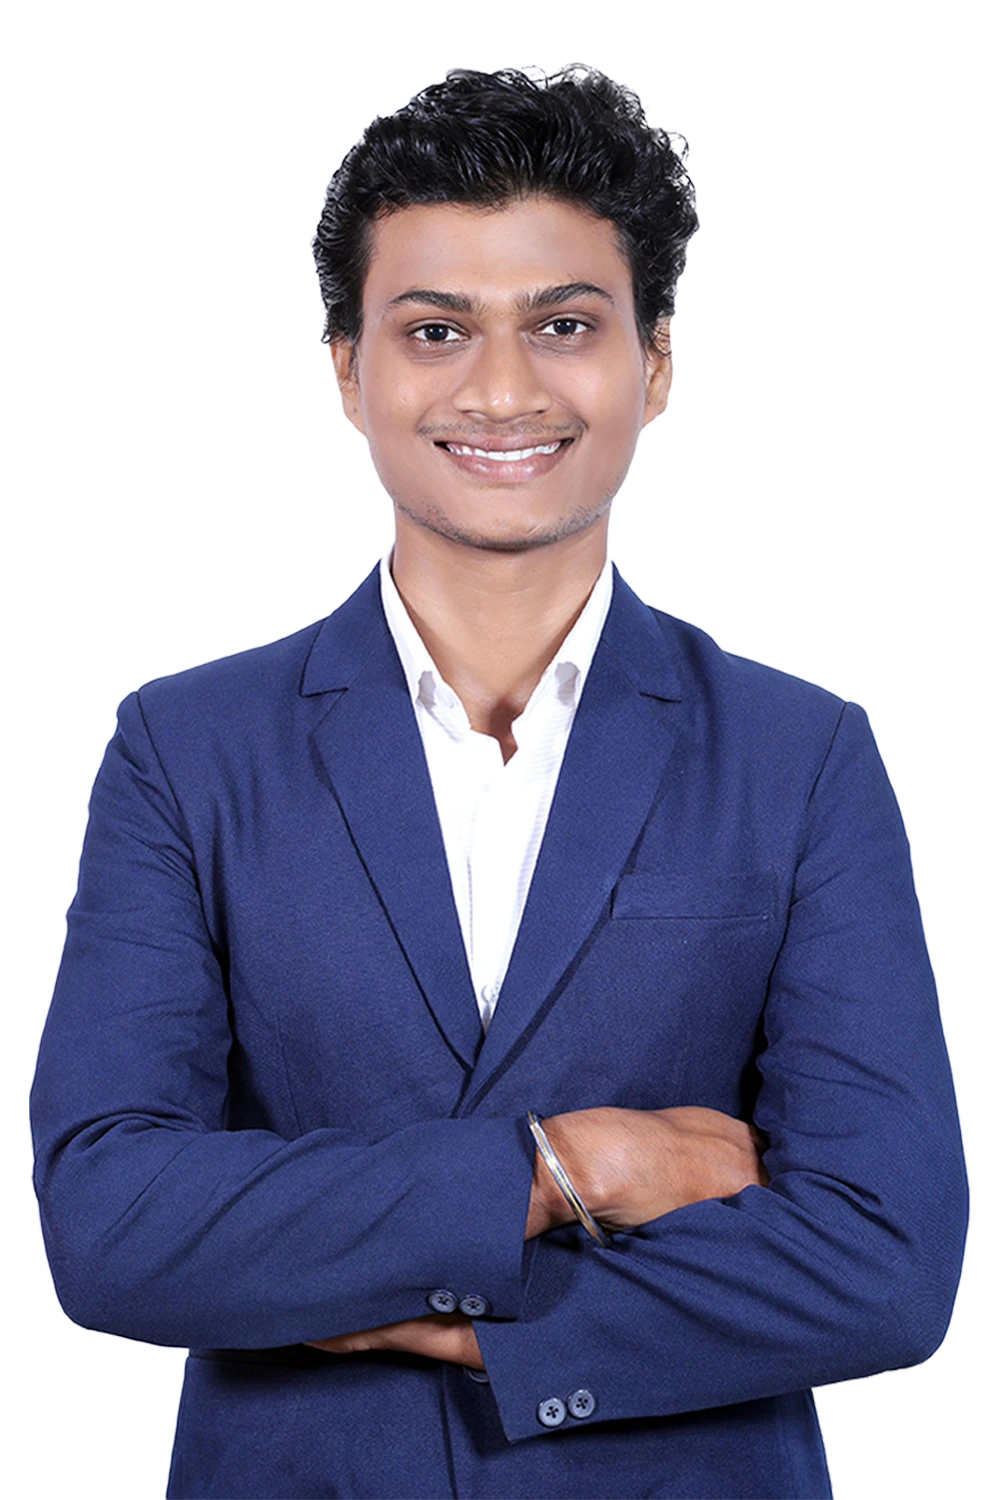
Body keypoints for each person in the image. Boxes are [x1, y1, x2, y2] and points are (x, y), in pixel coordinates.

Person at [29, 63, 969, 1499]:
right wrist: (565, 1166)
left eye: (566, 325)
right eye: (436, 329)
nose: (505, 388)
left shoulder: (800, 758)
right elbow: (111, 1221)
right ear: (348, 368)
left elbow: (885, 1261)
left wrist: (476, 1328)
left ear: (655, 361)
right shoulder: (188, 750)